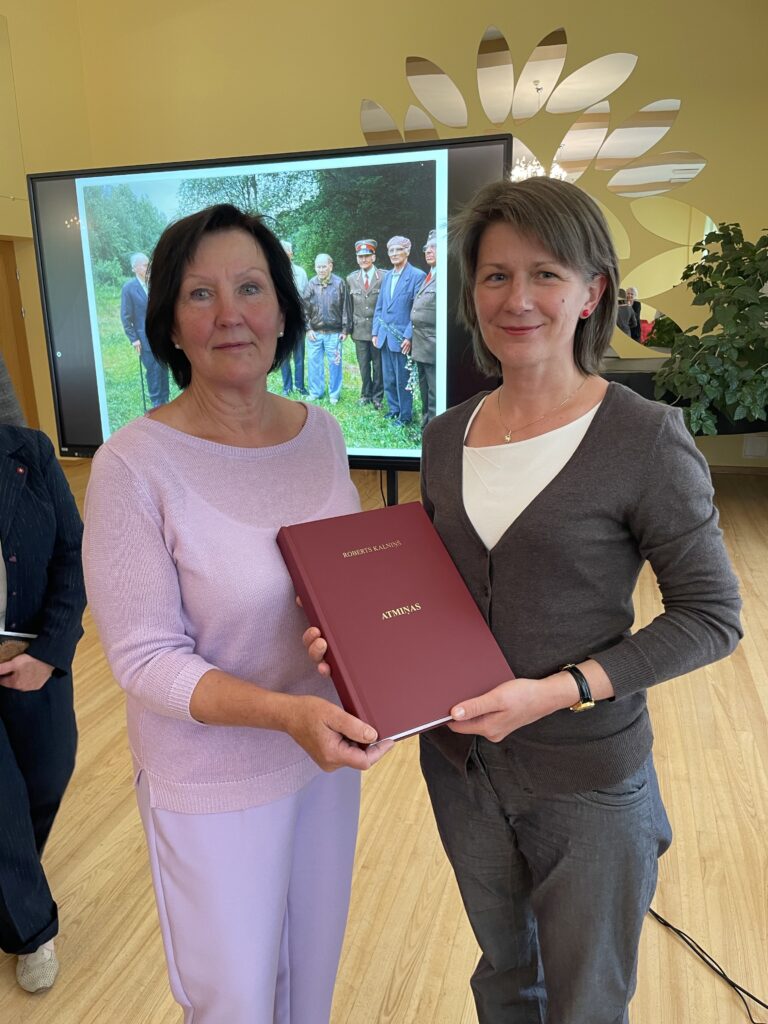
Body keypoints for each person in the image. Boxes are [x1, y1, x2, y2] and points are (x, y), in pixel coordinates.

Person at [305, 177, 743, 1024]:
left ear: (592, 292)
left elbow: (711, 616)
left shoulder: (644, 438)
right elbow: (428, 590)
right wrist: (354, 642)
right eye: (496, 275)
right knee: (505, 975)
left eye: (546, 274)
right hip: (462, 767)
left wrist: (559, 690)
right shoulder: (445, 435)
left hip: (587, 778)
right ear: (471, 292)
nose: (518, 298)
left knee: (587, 1000)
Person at [82, 204, 391, 1024]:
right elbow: (145, 659)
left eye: (250, 288)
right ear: (169, 324)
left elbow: (346, 583)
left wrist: (382, 666)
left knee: (311, 981)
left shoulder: (322, 433)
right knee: (235, 1002)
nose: (230, 314)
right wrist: (285, 714)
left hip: (324, 759)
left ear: (283, 310)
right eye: (200, 294)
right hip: (212, 780)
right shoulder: (133, 466)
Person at [0, 425, 85, 994]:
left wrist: (49, 653)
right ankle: (30, 929)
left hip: (29, 656)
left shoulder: (28, 451)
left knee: (48, 774)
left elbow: (73, 553)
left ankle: (13, 881)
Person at [372, 235, 425, 426]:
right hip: (385, 336)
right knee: (389, 376)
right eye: (391, 250)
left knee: (403, 378)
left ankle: (405, 415)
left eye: (398, 250)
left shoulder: (417, 276)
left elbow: (417, 310)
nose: (394, 254)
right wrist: (375, 332)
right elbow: (380, 306)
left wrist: (409, 336)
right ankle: (394, 409)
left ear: (407, 252)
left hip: (402, 337)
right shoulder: (387, 276)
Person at [121, 251, 170, 408]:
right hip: (145, 339)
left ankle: (166, 402)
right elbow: (126, 316)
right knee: (153, 370)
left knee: (163, 368)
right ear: (134, 268)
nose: (148, 267)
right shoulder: (129, 288)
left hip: (162, 336)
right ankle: (157, 404)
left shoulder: (155, 284)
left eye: (149, 264)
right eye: (144, 265)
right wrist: (134, 339)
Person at [305, 253, 350, 404]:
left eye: (324, 266)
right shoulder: (311, 284)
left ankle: (334, 394)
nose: (321, 270)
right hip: (315, 333)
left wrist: (345, 330)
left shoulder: (339, 283)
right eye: (318, 267)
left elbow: (345, 308)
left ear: (330, 266)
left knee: (335, 364)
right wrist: (308, 329)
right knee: (314, 364)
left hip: (334, 333)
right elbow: (304, 308)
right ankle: (316, 392)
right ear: (315, 267)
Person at [346, 239, 385, 408]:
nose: (364, 259)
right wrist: (348, 328)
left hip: (378, 330)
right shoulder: (351, 279)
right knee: (363, 365)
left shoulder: (384, 276)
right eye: (360, 257)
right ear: (357, 259)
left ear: (373, 257)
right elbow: (348, 307)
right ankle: (365, 394)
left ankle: (377, 397)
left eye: (367, 256)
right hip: (359, 330)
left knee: (378, 365)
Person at [410, 229, 438, 428]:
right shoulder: (430, 275)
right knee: (424, 389)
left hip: (433, 345)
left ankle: (434, 428)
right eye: (427, 248)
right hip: (420, 345)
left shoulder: (445, 278)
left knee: (435, 391)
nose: (429, 251)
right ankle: (425, 425)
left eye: (434, 247)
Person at [279, 240, 310, 397]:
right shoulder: (273, 273)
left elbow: (306, 299)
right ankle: (287, 387)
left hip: (298, 321)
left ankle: (300, 386)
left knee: (299, 356)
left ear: (291, 254)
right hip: (281, 322)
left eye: (286, 253)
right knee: (284, 356)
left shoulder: (301, 273)